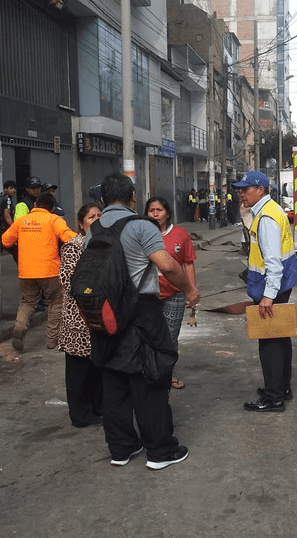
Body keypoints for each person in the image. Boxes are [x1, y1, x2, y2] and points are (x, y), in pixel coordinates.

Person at [89, 173, 200, 469]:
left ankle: (121, 448)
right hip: (141, 313)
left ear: (103, 199)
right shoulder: (140, 226)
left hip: (105, 314)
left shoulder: (94, 228)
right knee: (151, 376)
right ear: (133, 197)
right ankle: (160, 451)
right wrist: (188, 289)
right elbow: (166, 264)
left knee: (113, 381)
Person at [233, 170, 297, 413]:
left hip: (273, 286)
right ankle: (282, 387)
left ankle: (273, 398)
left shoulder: (266, 219)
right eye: (240, 189)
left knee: (270, 342)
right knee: (281, 337)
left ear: (260, 190)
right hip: (282, 283)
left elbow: (272, 262)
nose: (241, 193)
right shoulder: (269, 210)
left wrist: (268, 296)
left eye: (245, 189)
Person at [2, 191, 77, 352]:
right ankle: (52, 340)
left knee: (27, 302)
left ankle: (20, 327)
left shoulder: (22, 221)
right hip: (50, 271)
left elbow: (5, 240)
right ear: (52, 208)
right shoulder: (54, 220)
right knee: (56, 301)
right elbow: (69, 238)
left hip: (26, 272)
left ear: (35, 205)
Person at [58, 202, 104, 428]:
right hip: (78, 317)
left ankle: (97, 407)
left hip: (98, 316)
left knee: (96, 367)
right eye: (90, 217)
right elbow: (67, 281)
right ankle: (80, 414)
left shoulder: (103, 245)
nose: (95, 219)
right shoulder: (73, 247)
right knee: (78, 370)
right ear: (81, 224)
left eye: (99, 216)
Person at [145, 195, 197, 391]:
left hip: (174, 295)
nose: (156, 214)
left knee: (170, 338)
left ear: (167, 213)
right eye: (152, 210)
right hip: (148, 296)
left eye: (159, 210)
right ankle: (150, 371)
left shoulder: (180, 235)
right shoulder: (142, 234)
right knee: (148, 336)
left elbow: (188, 263)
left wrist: (191, 290)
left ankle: (169, 374)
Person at [0, 180, 18, 261]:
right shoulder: (8, 199)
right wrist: (14, 227)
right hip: (4, 230)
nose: (13, 190)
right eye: (11, 188)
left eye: (14, 188)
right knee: (16, 251)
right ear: (6, 189)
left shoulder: (1, 198)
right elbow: (6, 215)